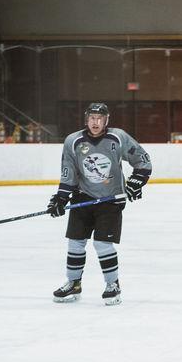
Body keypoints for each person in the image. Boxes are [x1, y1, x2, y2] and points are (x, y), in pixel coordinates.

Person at [48, 102, 151, 305]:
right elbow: (68, 172)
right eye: (92, 118)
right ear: (86, 120)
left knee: (102, 244)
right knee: (75, 242)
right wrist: (61, 198)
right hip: (83, 197)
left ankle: (113, 285)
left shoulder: (118, 137)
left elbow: (143, 160)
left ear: (106, 120)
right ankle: (73, 283)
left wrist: (136, 182)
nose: (95, 122)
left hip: (111, 199)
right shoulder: (73, 141)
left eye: (100, 119)